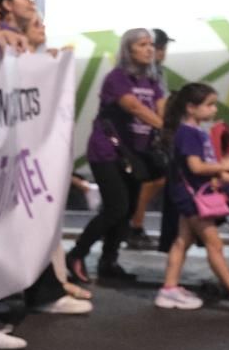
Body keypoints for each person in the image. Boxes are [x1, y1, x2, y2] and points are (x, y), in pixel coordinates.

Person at [154, 81, 229, 313]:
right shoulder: (189, 134)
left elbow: (193, 169)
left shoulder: (193, 131)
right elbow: (196, 167)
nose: (214, 110)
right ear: (191, 107)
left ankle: (169, 289)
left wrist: (220, 175)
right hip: (193, 197)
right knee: (214, 244)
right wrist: (221, 166)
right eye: (209, 105)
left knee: (182, 241)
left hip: (189, 195)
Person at [68, 29, 165, 285]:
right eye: (142, 45)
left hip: (136, 154)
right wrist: (166, 129)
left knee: (129, 209)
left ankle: (109, 261)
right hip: (107, 151)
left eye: (151, 45)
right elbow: (134, 107)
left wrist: (174, 128)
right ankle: (77, 254)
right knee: (116, 207)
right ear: (129, 50)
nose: (149, 49)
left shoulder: (153, 81)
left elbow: (162, 109)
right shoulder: (117, 78)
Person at [127, 28, 175, 249]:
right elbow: (137, 106)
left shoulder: (157, 73)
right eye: (158, 48)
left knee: (156, 179)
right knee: (149, 181)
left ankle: (134, 225)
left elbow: (160, 103)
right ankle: (134, 226)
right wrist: (165, 127)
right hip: (138, 137)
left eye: (155, 47)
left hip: (151, 134)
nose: (160, 52)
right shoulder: (133, 73)